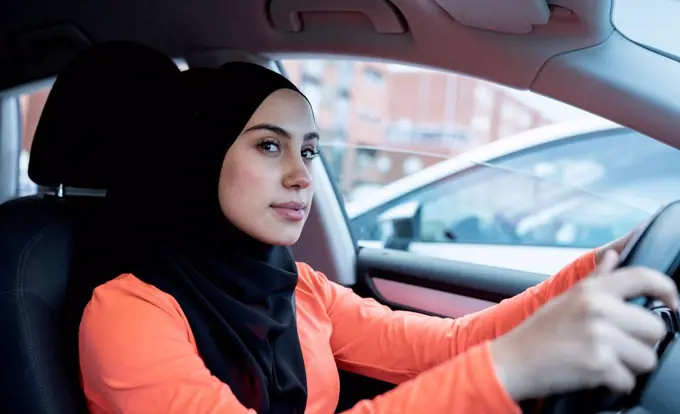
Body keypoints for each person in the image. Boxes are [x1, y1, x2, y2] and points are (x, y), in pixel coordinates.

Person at [78, 62, 678, 414]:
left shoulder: (298, 287)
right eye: (269, 145)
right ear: (198, 156)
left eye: (309, 150)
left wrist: (603, 263)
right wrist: (510, 368)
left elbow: (448, 346)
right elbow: (478, 362)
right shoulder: (126, 314)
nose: (301, 174)